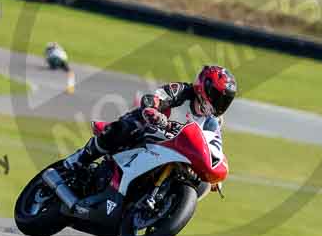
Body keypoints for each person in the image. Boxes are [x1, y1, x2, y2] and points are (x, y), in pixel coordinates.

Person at [64, 65, 237, 170]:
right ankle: (79, 159)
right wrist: (154, 112)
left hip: (174, 151)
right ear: (203, 88)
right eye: (217, 96)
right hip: (149, 132)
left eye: (225, 100)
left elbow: (213, 145)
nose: (220, 103)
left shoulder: (214, 122)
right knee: (128, 127)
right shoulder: (183, 92)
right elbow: (154, 97)